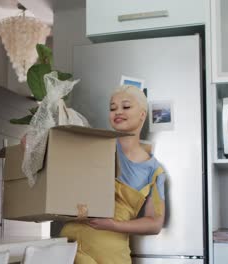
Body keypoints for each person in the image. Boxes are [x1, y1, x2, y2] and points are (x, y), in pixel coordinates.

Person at [59, 85, 167, 264]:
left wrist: (113, 225)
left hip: (109, 253)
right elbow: (59, 171)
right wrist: (35, 145)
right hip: (69, 246)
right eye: (112, 108)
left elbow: (155, 223)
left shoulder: (154, 171)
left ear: (142, 114)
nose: (118, 112)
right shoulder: (94, 145)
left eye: (125, 107)